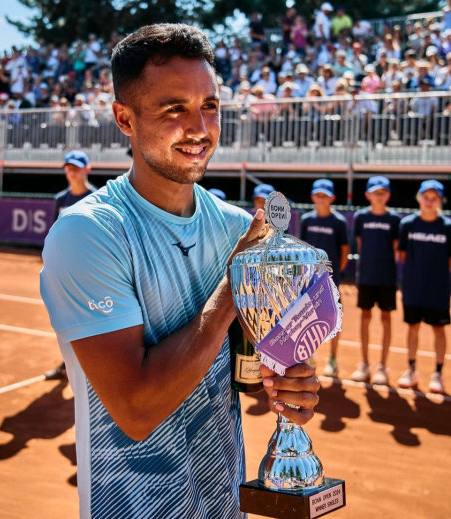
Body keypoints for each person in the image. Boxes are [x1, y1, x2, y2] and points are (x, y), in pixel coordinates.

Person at [40, 24, 319, 519]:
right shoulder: (87, 233)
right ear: (124, 119)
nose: (200, 128)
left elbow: (246, 373)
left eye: (209, 106)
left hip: (224, 503)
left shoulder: (237, 225)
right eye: (175, 108)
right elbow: (137, 410)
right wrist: (234, 287)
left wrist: (286, 382)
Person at [44, 150, 97, 381]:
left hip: (90, 270)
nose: (71, 172)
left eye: (76, 167)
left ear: (87, 169)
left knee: (90, 319)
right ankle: (67, 364)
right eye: (68, 168)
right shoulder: (60, 199)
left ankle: (93, 367)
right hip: (65, 271)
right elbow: (54, 233)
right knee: (66, 319)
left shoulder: (97, 198)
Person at [397, 180, 451, 394]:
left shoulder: (447, 227)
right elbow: (403, 255)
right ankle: (411, 369)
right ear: (419, 198)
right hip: (413, 288)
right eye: (425, 197)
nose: (429, 202)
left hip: (438, 290)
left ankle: (438, 373)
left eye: (434, 198)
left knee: (439, 329)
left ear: (440, 201)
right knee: (413, 328)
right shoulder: (407, 225)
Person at [352, 176, 401, 385]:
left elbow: (396, 250)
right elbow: (361, 245)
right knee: (364, 317)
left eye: (382, 193)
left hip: (387, 278)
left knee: (386, 319)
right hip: (366, 277)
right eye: (375, 193)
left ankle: (382, 366)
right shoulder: (360, 217)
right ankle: (364, 364)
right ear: (367, 195)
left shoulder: (395, 220)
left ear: (388, 195)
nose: (378, 197)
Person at [300, 179, 350, 378]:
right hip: (309, 281)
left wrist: (334, 273)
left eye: (325, 195)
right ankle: (309, 356)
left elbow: (344, 251)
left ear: (332, 198)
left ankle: (333, 359)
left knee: (333, 321)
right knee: (308, 320)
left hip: (330, 281)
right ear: (312, 197)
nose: (321, 199)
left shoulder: (339, 222)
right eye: (318, 195)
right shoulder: (307, 220)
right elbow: (302, 247)